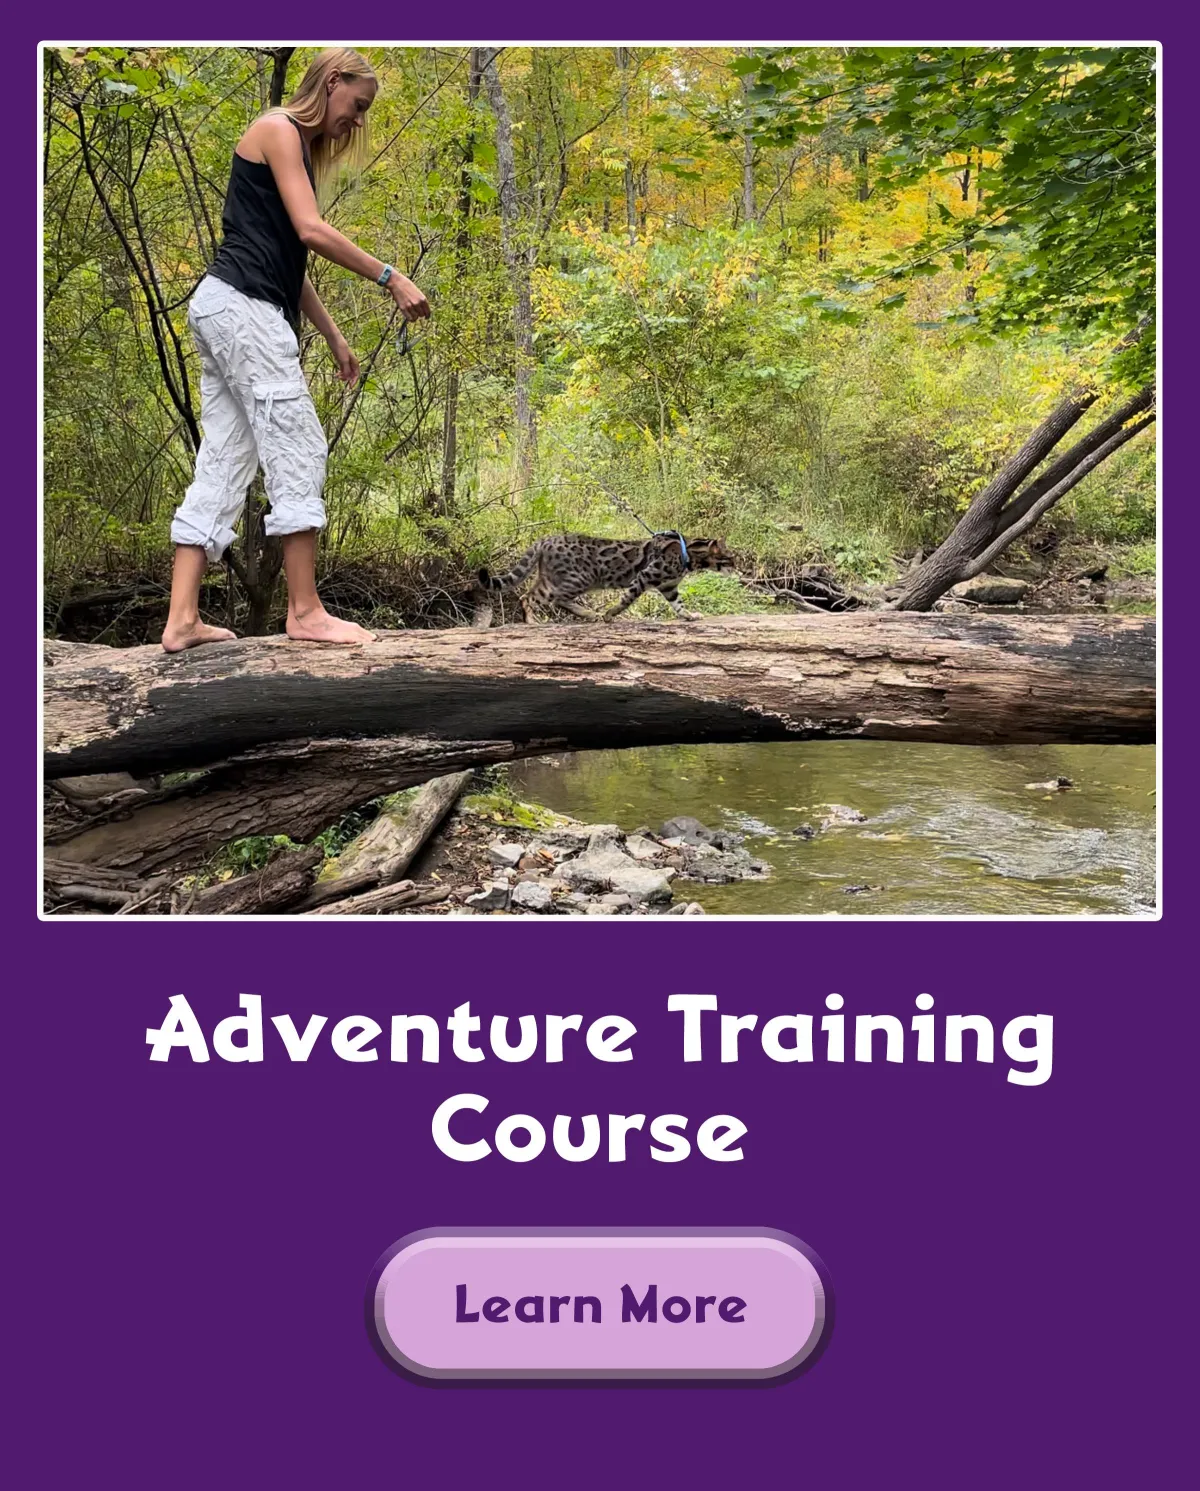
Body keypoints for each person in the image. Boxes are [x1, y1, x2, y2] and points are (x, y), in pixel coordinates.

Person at [162, 48, 430, 652]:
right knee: (298, 442)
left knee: (226, 457)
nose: (357, 121)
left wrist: (334, 334)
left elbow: (290, 259)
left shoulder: (291, 150)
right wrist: (391, 277)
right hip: (241, 309)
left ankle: (181, 620)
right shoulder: (276, 128)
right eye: (357, 105)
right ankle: (305, 612)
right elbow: (310, 230)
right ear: (332, 82)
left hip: (228, 306)